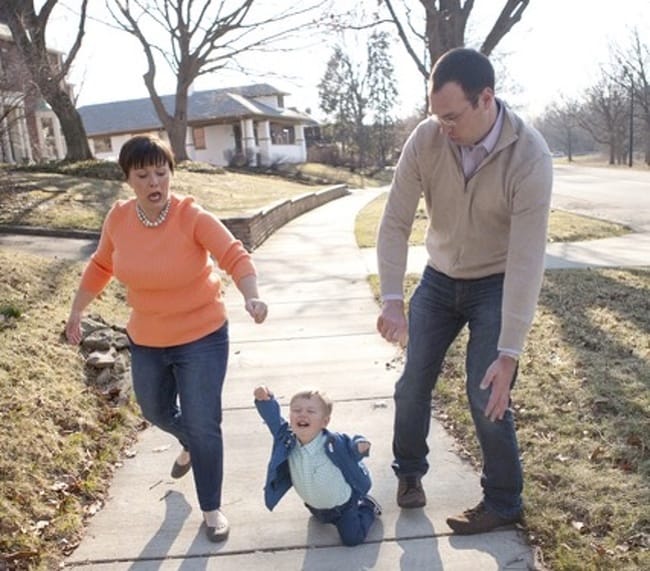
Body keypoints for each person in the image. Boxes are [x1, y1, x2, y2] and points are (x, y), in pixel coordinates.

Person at [376, 48, 552, 535]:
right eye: (437, 116)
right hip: (439, 277)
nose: (443, 127)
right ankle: (409, 473)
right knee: (412, 384)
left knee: (487, 390)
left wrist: (510, 349)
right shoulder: (427, 139)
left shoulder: (530, 157)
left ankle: (503, 501)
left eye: (452, 116)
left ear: (486, 99)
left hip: (495, 281)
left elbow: (526, 258)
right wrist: (392, 297)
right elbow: (394, 222)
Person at [65, 134, 268, 543]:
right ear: (129, 179)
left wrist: (252, 296)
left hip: (202, 335)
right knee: (154, 409)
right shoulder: (119, 219)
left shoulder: (191, 216)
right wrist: (76, 310)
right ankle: (188, 440)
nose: (155, 182)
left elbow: (234, 254)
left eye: (162, 172)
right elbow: (101, 265)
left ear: (172, 174)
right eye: (144, 175)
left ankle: (211, 509)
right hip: (148, 336)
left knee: (204, 423)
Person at [253, 385, 381, 546]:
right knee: (319, 519)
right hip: (313, 505)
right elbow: (273, 420)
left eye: (310, 411)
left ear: (325, 421)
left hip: (344, 506)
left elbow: (352, 446)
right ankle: (322, 512)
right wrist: (265, 400)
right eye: (296, 410)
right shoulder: (287, 440)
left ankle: (367, 507)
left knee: (352, 539)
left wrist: (360, 446)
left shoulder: (333, 442)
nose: (302, 415)